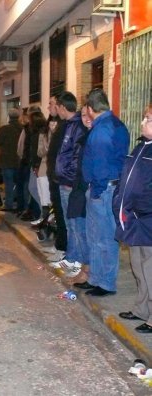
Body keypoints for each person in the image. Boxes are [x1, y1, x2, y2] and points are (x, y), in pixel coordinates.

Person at [75, 88, 129, 296]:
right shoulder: (113, 124)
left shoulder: (102, 129)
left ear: (89, 109)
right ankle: (97, 278)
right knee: (96, 237)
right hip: (105, 187)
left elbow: (100, 164)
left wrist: (96, 190)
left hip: (103, 189)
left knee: (104, 238)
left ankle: (105, 283)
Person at [115, 104, 152, 333]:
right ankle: (141, 308)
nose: (143, 122)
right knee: (138, 266)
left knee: (151, 269)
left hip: (149, 219)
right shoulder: (141, 147)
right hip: (136, 219)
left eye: (148, 118)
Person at [50, 92, 90, 277]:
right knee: (68, 223)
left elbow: (76, 157)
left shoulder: (77, 127)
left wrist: (67, 178)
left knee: (75, 224)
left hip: (69, 183)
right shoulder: (67, 125)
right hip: (63, 181)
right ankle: (71, 257)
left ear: (63, 107)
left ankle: (76, 262)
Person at [42, 95, 68, 262]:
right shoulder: (54, 125)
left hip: (60, 177)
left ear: (59, 105)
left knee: (62, 214)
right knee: (57, 212)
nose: (49, 107)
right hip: (54, 175)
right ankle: (59, 244)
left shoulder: (65, 126)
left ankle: (64, 248)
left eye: (51, 104)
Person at [0, 107, 23, 212]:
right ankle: (20, 204)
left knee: (9, 184)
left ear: (8, 117)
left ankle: (9, 204)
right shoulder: (23, 128)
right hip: (20, 161)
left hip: (7, 161)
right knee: (20, 184)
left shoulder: (4, 129)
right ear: (18, 117)